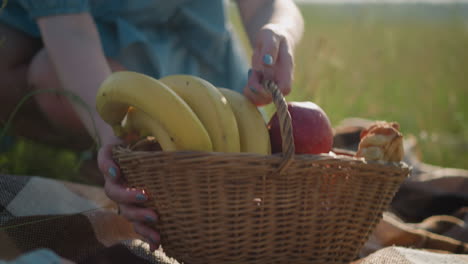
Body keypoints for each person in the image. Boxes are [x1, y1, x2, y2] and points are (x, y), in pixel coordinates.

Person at [0, 0, 304, 252]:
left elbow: (266, 4)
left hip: (202, 76)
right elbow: (69, 29)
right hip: (94, 61)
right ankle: (120, 157)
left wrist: (279, 32)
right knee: (24, 63)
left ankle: (134, 164)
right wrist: (114, 136)